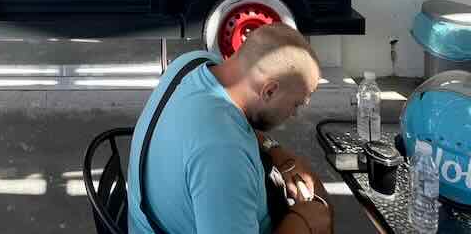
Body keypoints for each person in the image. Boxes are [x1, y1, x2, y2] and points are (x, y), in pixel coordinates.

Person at [127, 24, 332, 234]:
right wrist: (304, 221)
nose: (295, 114)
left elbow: (232, 128)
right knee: (322, 210)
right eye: (296, 104)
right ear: (269, 91)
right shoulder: (223, 154)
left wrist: (279, 155)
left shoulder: (193, 63)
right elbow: (221, 149)